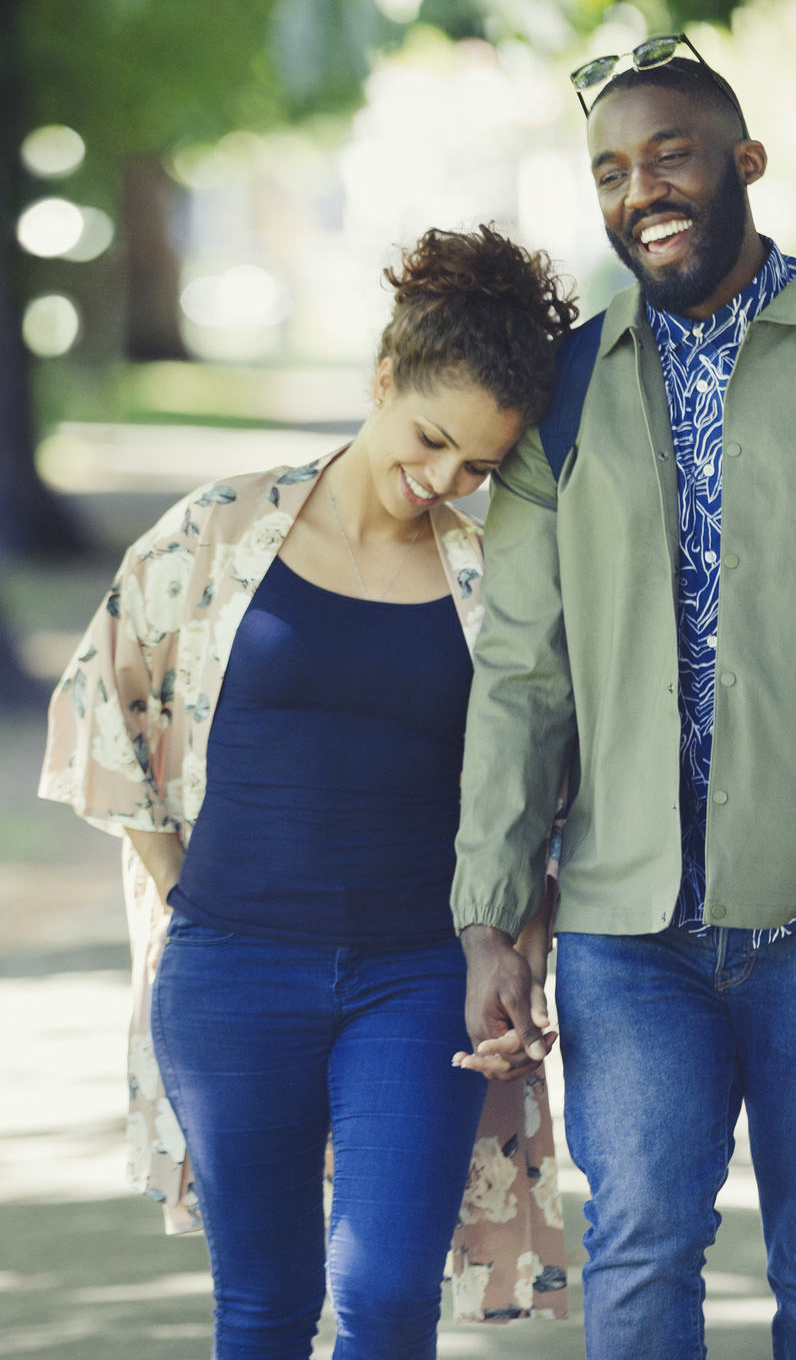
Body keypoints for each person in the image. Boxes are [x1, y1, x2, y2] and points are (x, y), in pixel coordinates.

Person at [449, 39, 796, 1358]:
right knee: (640, 1246)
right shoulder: (565, 393)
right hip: (625, 925)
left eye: (670, 155)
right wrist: (490, 912)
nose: (640, 189)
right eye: (609, 170)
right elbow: (523, 672)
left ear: (744, 164)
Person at [40, 226, 575, 1358]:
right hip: (233, 971)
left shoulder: (496, 578)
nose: (442, 479)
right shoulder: (218, 530)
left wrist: (522, 946)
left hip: (419, 980)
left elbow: (540, 785)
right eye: (430, 439)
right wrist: (184, 895)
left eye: (477, 466)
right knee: (265, 1308)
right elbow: (103, 704)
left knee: (383, 1300)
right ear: (383, 382)